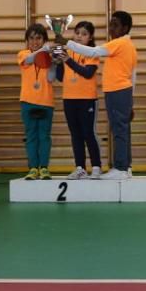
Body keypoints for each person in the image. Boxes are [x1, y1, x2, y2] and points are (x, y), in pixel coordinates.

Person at [58, 10, 136, 180]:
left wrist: (67, 42)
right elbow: (133, 74)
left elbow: (93, 52)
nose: (111, 28)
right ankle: (126, 166)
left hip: (117, 91)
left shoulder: (119, 44)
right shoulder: (129, 46)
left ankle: (121, 168)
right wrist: (132, 102)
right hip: (123, 92)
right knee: (122, 129)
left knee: (119, 130)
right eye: (110, 24)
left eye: (115, 25)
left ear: (126, 27)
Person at [53, 21, 102, 179]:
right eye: (77, 33)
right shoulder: (67, 51)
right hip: (69, 98)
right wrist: (59, 63)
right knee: (76, 135)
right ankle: (80, 167)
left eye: (84, 34)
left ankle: (96, 167)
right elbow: (60, 77)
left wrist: (68, 61)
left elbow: (87, 73)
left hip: (87, 99)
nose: (80, 36)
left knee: (89, 133)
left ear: (91, 37)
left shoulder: (92, 52)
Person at [18, 24, 57, 180]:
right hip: (27, 101)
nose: (35, 41)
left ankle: (44, 168)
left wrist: (54, 62)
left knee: (44, 136)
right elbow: (29, 60)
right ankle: (33, 168)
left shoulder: (48, 57)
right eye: (32, 38)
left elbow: (51, 78)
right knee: (31, 136)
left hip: (46, 101)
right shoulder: (23, 54)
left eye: (39, 38)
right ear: (27, 41)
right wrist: (45, 49)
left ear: (44, 39)